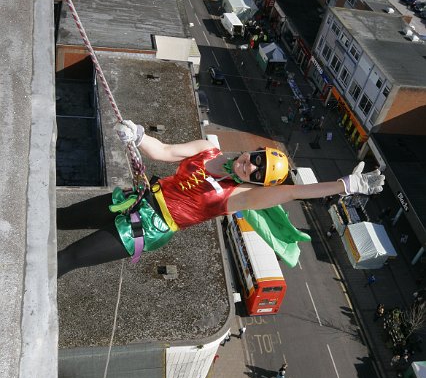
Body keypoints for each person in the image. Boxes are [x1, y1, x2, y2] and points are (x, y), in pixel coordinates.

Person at [57, 121, 385, 277]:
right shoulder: (206, 149)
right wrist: (139, 136)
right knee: (62, 217)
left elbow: (294, 191)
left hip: (148, 227)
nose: (250, 166)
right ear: (254, 151)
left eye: (257, 174)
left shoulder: (235, 197)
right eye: (256, 159)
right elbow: (166, 151)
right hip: (135, 198)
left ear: (255, 184)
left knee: (70, 258)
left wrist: (345, 185)